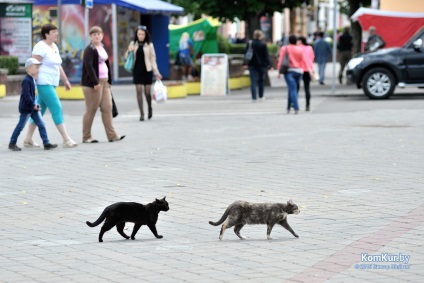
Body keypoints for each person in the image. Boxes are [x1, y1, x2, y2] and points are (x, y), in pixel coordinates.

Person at [23, 24, 78, 148]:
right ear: (46, 34)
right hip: (43, 82)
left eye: (56, 32)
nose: (56, 34)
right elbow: (33, 66)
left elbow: (58, 65)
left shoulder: (54, 46)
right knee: (56, 107)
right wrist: (33, 83)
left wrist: (65, 80)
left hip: (53, 82)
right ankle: (66, 139)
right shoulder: (40, 47)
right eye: (54, 32)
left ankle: (28, 139)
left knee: (38, 112)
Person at [81, 26, 125, 143]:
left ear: (102, 36)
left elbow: (107, 64)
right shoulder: (89, 49)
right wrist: (95, 82)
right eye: (94, 34)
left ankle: (112, 135)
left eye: (98, 34)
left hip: (105, 83)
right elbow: (89, 67)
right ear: (90, 37)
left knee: (107, 108)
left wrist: (109, 81)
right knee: (91, 109)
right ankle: (86, 136)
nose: (96, 36)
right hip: (93, 84)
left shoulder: (102, 48)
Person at [8, 58, 58, 151]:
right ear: (28, 69)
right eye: (36, 67)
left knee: (41, 124)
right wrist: (33, 105)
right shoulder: (26, 81)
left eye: (38, 67)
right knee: (20, 126)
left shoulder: (33, 80)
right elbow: (26, 96)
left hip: (33, 108)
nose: (38, 69)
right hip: (27, 108)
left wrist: (35, 104)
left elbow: (33, 94)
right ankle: (12, 143)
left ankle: (46, 143)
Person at [126, 25, 162, 121]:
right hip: (137, 70)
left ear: (146, 35)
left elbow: (153, 59)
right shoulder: (133, 43)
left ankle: (149, 107)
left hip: (147, 70)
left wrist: (156, 72)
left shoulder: (149, 45)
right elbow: (126, 57)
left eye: (142, 34)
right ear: (136, 35)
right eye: (139, 34)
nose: (140, 36)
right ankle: (141, 113)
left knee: (147, 92)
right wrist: (129, 50)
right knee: (138, 91)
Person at [277, 35, 307, 114]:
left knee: (292, 89)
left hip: (289, 71)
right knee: (292, 89)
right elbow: (304, 60)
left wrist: (279, 72)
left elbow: (281, 60)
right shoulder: (299, 49)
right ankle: (288, 107)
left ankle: (296, 107)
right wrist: (310, 70)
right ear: (296, 41)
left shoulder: (284, 48)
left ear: (289, 41)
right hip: (299, 71)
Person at [244, 30, 271, 102]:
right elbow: (266, 55)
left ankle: (254, 97)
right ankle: (261, 96)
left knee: (253, 81)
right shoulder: (263, 44)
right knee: (261, 80)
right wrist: (269, 64)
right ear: (261, 35)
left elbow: (246, 53)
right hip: (262, 65)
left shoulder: (250, 43)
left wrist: (245, 63)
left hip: (252, 64)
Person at [296, 36, 315, 111]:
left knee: (296, 88)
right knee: (307, 88)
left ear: (300, 41)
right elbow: (312, 57)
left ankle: (295, 104)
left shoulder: (297, 48)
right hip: (308, 69)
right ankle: (308, 105)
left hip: (298, 69)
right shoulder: (309, 48)